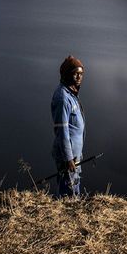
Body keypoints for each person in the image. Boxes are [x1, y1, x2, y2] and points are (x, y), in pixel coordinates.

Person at [51, 55, 85, 197]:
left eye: (81, 73)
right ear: (67, 74)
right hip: (68, 158)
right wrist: (68, 158)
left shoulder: (71, 94)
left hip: (75, 155)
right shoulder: (63, 98)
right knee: (68, 193)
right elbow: (62, 131)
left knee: (74, 188)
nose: (79, 77)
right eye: (75, 73)